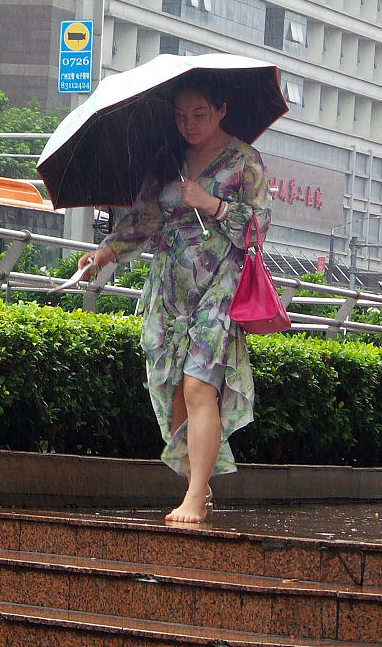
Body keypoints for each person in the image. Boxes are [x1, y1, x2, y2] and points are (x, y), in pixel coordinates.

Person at [77, 73, 273, 523]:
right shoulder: (168, 158)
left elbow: (260, 228)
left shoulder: (244, 161)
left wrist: (212, 203)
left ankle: (196, 494)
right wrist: (106, 252)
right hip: (170, 287)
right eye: (181, 116)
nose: (189, 124)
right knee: (174, 391)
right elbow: (143, 219)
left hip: (220, 283)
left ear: (221, 110)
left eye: (200, 114)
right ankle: (195, 485)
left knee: (201, 384)